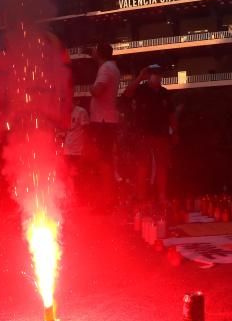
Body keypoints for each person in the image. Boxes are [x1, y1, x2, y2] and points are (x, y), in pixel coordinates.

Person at [123, 64, 175, 207]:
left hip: (161, 134)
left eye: (159, 74)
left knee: (161, 166)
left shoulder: (165, 93)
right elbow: (127, 93)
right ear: (149, 75)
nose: (157, 76)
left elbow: (171, 115)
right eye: (154, 74)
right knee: (142, 166)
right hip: (143, 134)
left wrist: (175, 132)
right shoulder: (141, 90)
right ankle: (141, 197)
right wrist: (140, 77)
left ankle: (161, 197)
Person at [88, 42, 120, 209]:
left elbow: (98, 90)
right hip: (108, 121)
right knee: (106, 161)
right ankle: (107, 199)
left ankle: (105, 201)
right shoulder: (113, 67)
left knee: (103, 162)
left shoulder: (105, 68)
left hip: (103, 121)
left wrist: (91, 89)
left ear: (99, 52)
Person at [64, 103, 90, 200]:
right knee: (68, 174)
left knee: (78, 174)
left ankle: (81, 197)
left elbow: (87, 131)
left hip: (78, 150)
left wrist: (86, 147)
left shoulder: (81, 112)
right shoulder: (64, 113)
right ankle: (71, 197)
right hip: (67, 150)